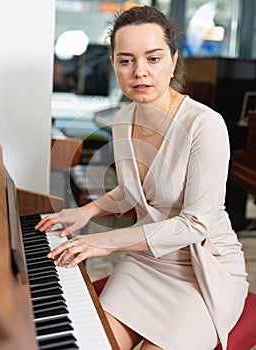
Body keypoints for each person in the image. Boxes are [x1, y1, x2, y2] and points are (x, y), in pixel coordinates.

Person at [36, 5, 249, 350]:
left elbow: (195, 224)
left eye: (153, 58)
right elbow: (133, 191)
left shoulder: (204, 125)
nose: (140, 72)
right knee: (94, 344)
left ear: (173, 59)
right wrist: (85, 213)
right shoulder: (123, 119)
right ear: (114, 66)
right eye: (126, 60)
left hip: (202, 269)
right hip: (147, 262)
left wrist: (103, 241)